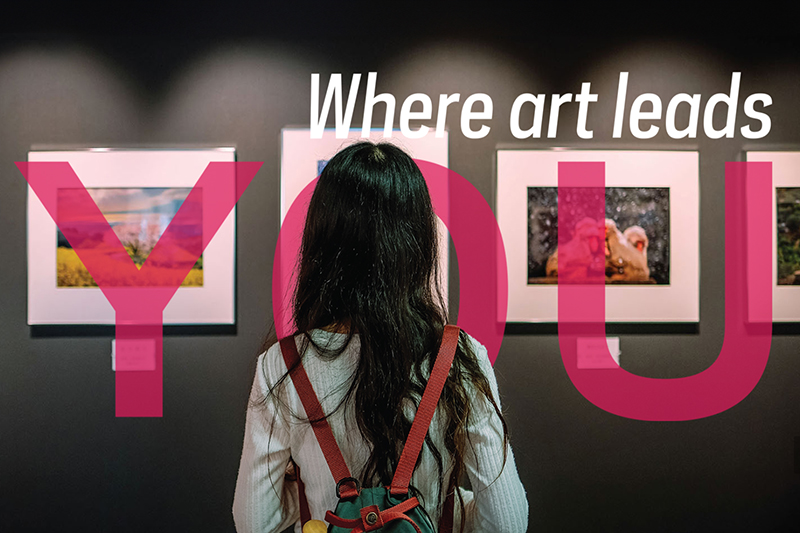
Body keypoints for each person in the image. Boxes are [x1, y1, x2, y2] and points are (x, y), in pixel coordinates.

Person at [233, 141, 528, 533]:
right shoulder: (459, 357)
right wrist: (443, 506)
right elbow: (507, 523)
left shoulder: (281, 364)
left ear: (321, 240)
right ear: (419, 243)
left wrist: (316, 494)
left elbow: (254, 521)